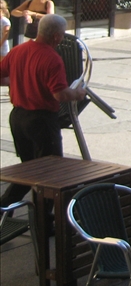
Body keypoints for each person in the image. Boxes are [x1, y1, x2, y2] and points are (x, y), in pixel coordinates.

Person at [0, 14, 86, 207]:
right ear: (56, 36)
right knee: (49, 174)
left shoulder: (18, 50)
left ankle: (4, 205)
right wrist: (77, 93)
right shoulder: (52, 58)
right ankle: (44, 220)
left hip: (18, 118)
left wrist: (16, 80)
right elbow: (60, 94)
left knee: (28, 170)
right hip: (41, 121)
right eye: (62, 34)